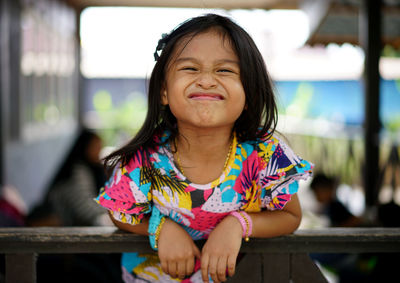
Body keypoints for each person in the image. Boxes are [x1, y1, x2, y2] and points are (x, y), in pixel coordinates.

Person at [95, 14, 313, 283]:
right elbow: (120, 213)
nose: (207, 81)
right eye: (190, 69)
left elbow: (290, 216)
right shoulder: (145, 159)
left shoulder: (265, 155)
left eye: (225, 70)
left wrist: (238, 224)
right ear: (163, 90)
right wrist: (160, 227)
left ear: (249, 95)